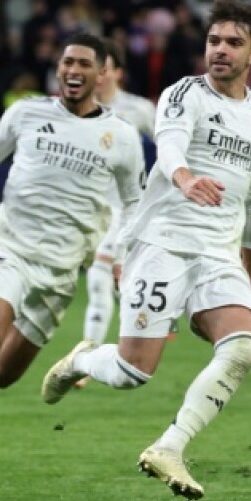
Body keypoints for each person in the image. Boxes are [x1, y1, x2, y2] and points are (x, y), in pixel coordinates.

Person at [42, 0, 251, 500]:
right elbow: (168, 144)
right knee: (133, 372)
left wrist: (250, 265)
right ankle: (83, 359)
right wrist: (185, 177)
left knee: (243, 348)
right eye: (214, 40)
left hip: (218, 252)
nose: (220, 50)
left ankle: (169, 447)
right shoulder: (184, 93)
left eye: (233, 43)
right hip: (161, 242)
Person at [0, 34, 145, 486]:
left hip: (61, 271)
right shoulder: (27, 112)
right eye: (67, 62)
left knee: (3, 375)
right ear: (58, 68)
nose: (73, 70)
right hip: (11, 251)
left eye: (84, 63)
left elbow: (135, 204)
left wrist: (125, 256)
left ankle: (78, 362)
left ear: (102, 73)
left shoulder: (122, 137)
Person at [81, 41, 157, 346]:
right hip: (88, 208)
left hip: (124, 208)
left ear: (117, 73)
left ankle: (87, 352)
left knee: (99, 276)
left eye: (104, 69)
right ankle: (148, 317)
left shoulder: (138, 109)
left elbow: (171, 148)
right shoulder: (76, 110)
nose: (98, 76)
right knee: (115, 280)